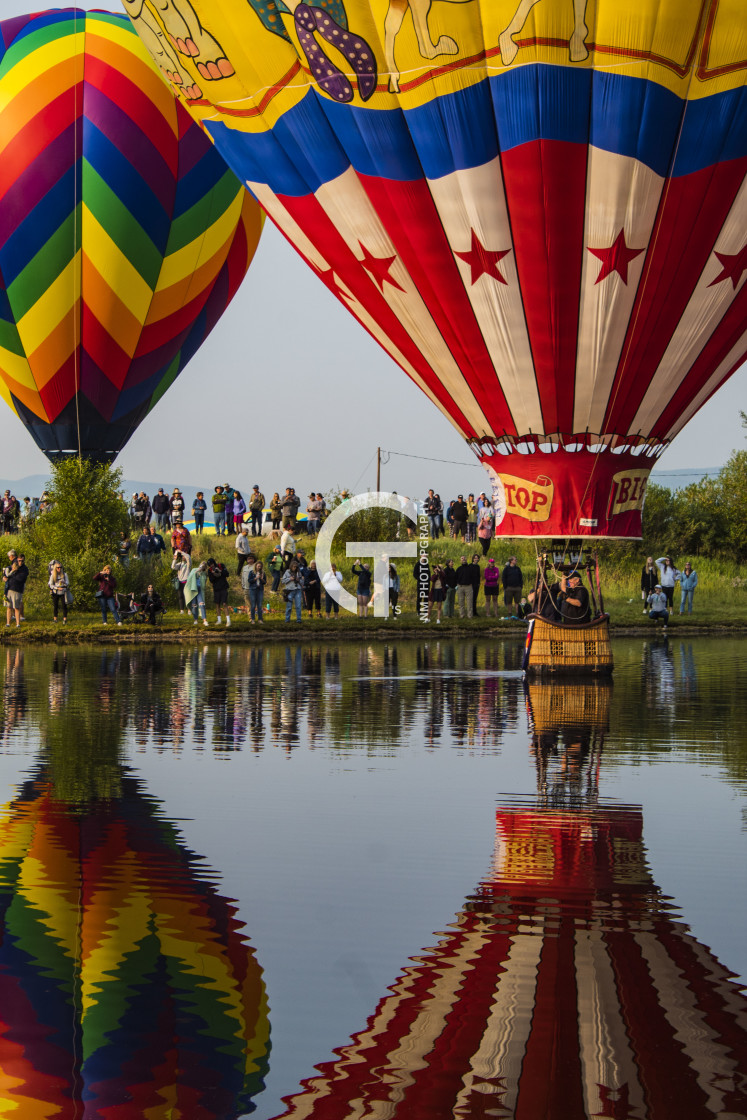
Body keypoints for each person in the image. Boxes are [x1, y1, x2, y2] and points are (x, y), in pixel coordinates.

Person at [5, 555, 29, 628]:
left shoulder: (24, 569)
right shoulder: (14, 565)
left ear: (23, 560)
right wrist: (5, 576)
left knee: (16, 607)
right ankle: (8, 623)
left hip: (17, 590)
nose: (20, 562)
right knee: (9, 607)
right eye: (19, 560)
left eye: (22, 560)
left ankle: (18, 624)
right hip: (9, 589)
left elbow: (20, 579)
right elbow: (7, 571)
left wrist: (11, 576)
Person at [206, 557, 231, 625]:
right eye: (210, 565)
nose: (212, 566)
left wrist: (220, 571)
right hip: (216, 588)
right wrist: (213, 574)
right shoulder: (210, 570)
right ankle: (219, 620)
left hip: (223, 587)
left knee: (224, 603)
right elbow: (211, 580)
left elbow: (227, 574)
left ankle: (228, 620)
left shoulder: (221, 565)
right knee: (217, 604)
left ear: (214, 562)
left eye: (212, 564)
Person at [171, 548, 191, 613]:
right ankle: (181, 609)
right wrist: (175, 558)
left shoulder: (188, 564)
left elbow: (188, 558)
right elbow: (173, 567)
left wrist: (182, 552)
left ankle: (189, 609)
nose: (183, 557)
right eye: (182, 556)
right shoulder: (180, 564)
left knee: (187, 596)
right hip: (180, 581)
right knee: (180, 596)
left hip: (186, 581)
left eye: (184, 556)